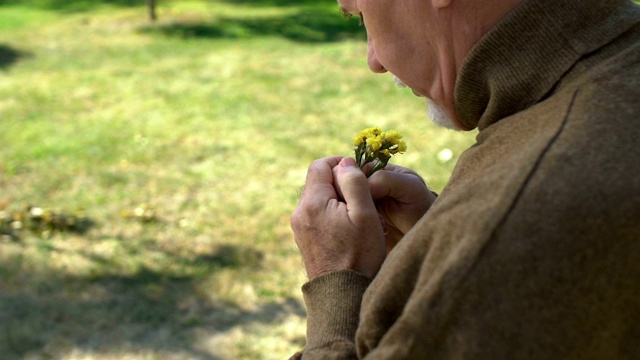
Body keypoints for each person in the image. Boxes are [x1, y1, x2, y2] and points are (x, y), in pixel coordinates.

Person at [290, 0, 640, 358]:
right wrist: (439, 238)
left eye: (361, 15)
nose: (375, 61)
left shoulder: (508, 224)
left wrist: (337, 285)